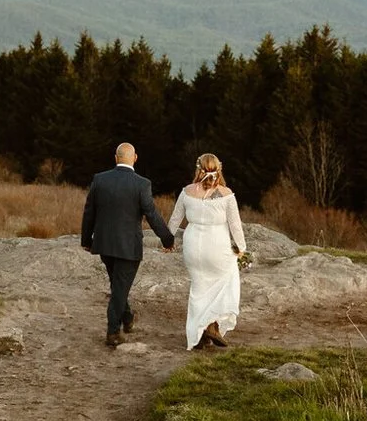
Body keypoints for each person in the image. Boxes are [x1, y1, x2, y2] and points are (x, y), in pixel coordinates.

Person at [79, 142, 175, 347]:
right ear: (135, 158)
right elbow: (152, 215)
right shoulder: (142, 184)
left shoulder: (100, 179)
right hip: (128, 247)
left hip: (105, 244)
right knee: (120, 288)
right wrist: (167, 238)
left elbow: (89, 212)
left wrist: (87, 240)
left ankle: (127, 317)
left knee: (118, 285)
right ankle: (113, 332)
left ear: (116, 158)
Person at [170, 153, 247, 350]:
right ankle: (211, 326)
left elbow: (175, 220)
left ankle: (200, 334)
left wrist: (167, 241)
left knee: (199, 288)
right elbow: (235, 225)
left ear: (198, 169)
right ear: (219, 169)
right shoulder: (226, 194)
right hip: (217, 246)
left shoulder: (187, 192)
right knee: (227, 279)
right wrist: (241, 248)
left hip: (193, 246)